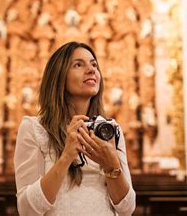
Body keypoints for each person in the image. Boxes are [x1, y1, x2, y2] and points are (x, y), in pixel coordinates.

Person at [14, 42, 135, 215]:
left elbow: (127, 208)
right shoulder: (34, 129)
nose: (91, 70)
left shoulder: (109, 129)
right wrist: (66, 156)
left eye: (94, 64)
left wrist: (111, 166)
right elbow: (27, 210)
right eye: (78, 64)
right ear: (58, 77)